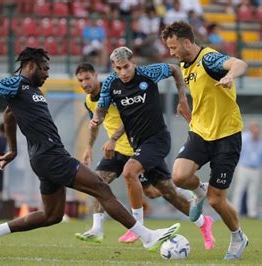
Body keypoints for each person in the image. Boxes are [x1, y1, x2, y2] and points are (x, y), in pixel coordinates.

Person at [0, 47, 180, 257]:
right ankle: (147, 237)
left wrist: (12, 150)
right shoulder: (15, 83)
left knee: (52, 215)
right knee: (101, 188)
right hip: (51, 156)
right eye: (45, 68)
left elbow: (9, 115)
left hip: (44, 157)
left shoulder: (31, 91)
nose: (47, 74)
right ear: (32, 65)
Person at [90, 47, 215, 249]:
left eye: (127, 67)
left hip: (157, 139)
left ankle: (137, 226)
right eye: (119, 68)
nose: (123, 72)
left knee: (129, 172)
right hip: (137, 143)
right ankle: (204, 223)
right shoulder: (111, 85)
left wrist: (183, 98)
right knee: (168, 191)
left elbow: (175, 69)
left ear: (134, 63)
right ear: (114, 68)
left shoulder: (148, 73)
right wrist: (96, 118)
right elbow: (102, 107)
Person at [161, 21, 249, 260]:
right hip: (200, 132)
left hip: (226, 136)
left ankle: (238, 237)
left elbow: (239, 63)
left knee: (216, 199)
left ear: (187, 42)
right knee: (179, 176)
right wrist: (183, 101)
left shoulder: (210, 60)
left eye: (173, 47)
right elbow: (183, 79)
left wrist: (230, 75)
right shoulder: (184, 62)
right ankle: (197, 192)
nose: (171, 52)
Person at [74, 62, 162, 243]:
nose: (84, 84)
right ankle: (97, 229)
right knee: (97, 181)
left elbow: (130, 117)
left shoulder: (114, 91)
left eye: (87, 78)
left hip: (135, 148)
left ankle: (179, 187)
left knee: (154, 191)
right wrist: (89, 147)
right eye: (80, 80)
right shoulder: (89, 101)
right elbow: (95, 124)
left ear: (96, 76)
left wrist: (113, 138)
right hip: (115, 152)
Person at [231, 121, 262, 219]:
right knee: (239, 190)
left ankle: (252, 213)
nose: (256, 131)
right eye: (254, 128)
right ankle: (235, 212)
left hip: (255, 169)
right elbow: (237, 150)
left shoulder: (261, 143)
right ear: (250, 129)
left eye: (257, 128)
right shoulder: (244, 138)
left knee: (253, 191)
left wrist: (259, 165)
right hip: (244, 167)